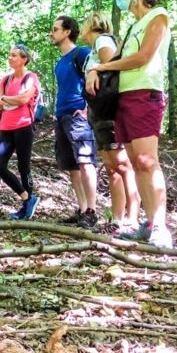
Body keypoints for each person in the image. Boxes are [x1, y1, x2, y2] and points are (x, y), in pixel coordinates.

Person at [86, 0, 173, 248]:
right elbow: (118, 57)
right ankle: (149, 224)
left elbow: (143, 57)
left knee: (147, 160)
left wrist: (101, 67)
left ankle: (160, 227)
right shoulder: (133, 26)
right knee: (136, 162)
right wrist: (95, 70)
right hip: (123, 97)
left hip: (145, 94)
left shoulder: (158, 17)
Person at [79, 11, 140, 232]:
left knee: (122, 165)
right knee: (112, 168)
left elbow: (112, 68)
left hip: (109, 111)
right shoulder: (95, 47)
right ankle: (116, 220)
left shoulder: (103, 41)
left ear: (91, 25)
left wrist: (95, 71)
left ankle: (132, 219)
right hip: (99, 111)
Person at [48, 15, 99, 227]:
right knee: (72, 166)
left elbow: (96, 80)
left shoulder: (82, 54)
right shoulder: (60, 62)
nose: (51, 33)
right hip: (62, 116)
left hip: (78, 116)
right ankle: (82, 209)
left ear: (67, 32)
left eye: (55, 29)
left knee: (85, 161)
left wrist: (87, 109)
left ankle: (92, 211)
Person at [0, 45, 40, 220]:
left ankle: (26, 208)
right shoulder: (5, 80)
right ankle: (27, 198)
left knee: (23, 166)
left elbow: (24, 99)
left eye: (14, 55)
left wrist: (5, 99)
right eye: (9, 55)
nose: (10, 58)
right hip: (6, 126)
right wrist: (10, 100)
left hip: (24, 126)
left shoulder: (30, 77)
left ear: (24, 59)